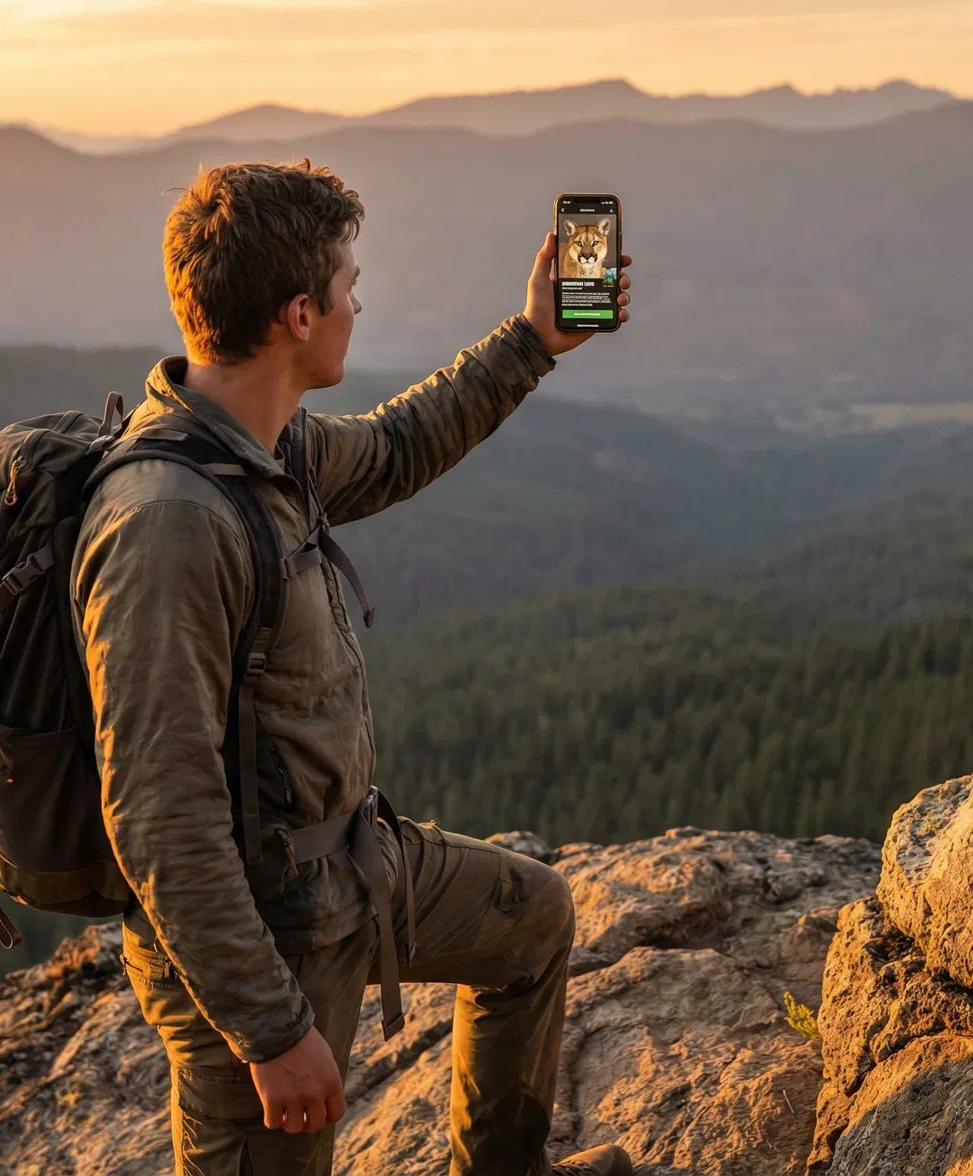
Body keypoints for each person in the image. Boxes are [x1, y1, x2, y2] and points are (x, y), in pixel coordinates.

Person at [71, 159, 634, 1176]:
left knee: (534, 920)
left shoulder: (262, 447)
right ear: (298, 313)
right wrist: (270, 1031)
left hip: (350, 872)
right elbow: (158, 813)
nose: (358, 299)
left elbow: (398, 444)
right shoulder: (168, 522)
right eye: (348, 281)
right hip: (265, 935)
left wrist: (535, 340)